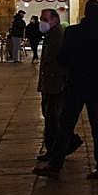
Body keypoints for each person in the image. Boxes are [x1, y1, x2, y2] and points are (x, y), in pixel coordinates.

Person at [34, 0, 98, 179]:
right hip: (95, 85)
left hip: (74, 84)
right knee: (97, 126)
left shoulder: (72, 32)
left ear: (85, 12)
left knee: (65, 126)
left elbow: (62, 59)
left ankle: (55, 167)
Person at [35, 8, 80, 162]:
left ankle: (54, 150)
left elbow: (62, 62)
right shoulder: (51, 35)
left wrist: (61, 82)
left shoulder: (58, 37)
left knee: (52, 119)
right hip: (49, 83)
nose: (41, 22)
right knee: (53, 117)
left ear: (55, 20)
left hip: (55, 84)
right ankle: (65, 143)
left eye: (45, 19)